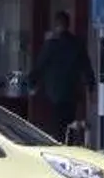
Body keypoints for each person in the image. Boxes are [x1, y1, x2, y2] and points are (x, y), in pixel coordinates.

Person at [30, 12, 93, 143]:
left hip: (53, 93)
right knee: (69, 123)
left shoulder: (51, 45)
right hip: (71, 92)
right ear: (68, 25)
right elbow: (86, 67)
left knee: (57, 126)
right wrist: (91, 85)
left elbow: (40, 66)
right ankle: (68, 145)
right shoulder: (76, 44)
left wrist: (32, 83)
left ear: (56, 25)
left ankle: (59, 145)